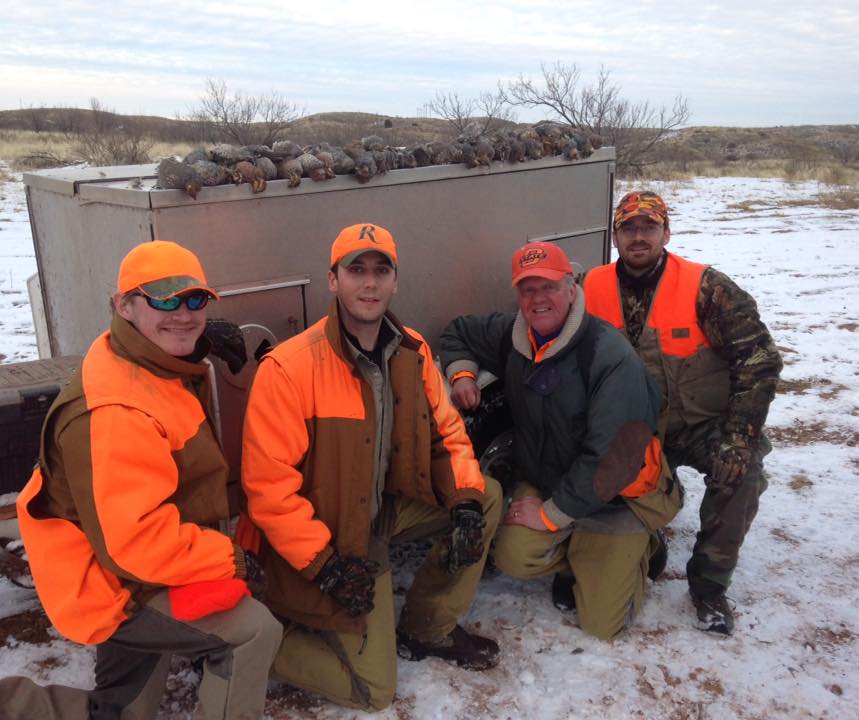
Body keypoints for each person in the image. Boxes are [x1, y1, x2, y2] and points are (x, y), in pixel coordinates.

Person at [235, 223, 503, 711]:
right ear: (333, 281)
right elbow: (268, 489)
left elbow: (448, 435)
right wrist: (325, 566)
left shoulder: (412, 351)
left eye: (381, 271)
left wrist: (464, 501)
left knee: (485, 495)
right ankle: (245, 644)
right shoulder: (290, 368)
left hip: (385, 509)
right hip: (334, 535)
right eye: (355, 270)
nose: (370, 283)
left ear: (396, 282)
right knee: (374, 691)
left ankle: (427, 628)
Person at [15, 240, 282, 719]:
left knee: (125, 712)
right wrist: (231, 560)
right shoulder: (115, 410)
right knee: (253, 632)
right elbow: (135, 548)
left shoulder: (140, 357)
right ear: (123, 305)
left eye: (193, 300)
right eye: (162, 299)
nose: (182, 313)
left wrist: (193, 342)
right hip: (114, 581)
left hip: (114, 559)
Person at [440, 241, 681, 642]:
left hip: (616, 497)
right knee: (512, 556)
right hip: (554, 476)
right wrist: (461, 374)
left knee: (603, 625)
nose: (538, 300)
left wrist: (551, 514)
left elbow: (614, 460)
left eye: (549, 287)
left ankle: (644, 547)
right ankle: (581, 558)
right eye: (527, 289)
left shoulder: (609, 355)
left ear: (572, 289)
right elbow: (459, 332)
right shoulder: (515, 334)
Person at [582, 191, 783, 635]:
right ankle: (645, 546)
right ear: (615, 235)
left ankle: (709, 585)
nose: (639, 236)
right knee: (590, 474)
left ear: (666, 233)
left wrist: (739, 436)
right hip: (632, 430)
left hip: (700, 424)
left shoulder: (707, 287)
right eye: (629, 227)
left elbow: (759, 360)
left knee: (742, 474)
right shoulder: (588, 286)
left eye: (649, 227)